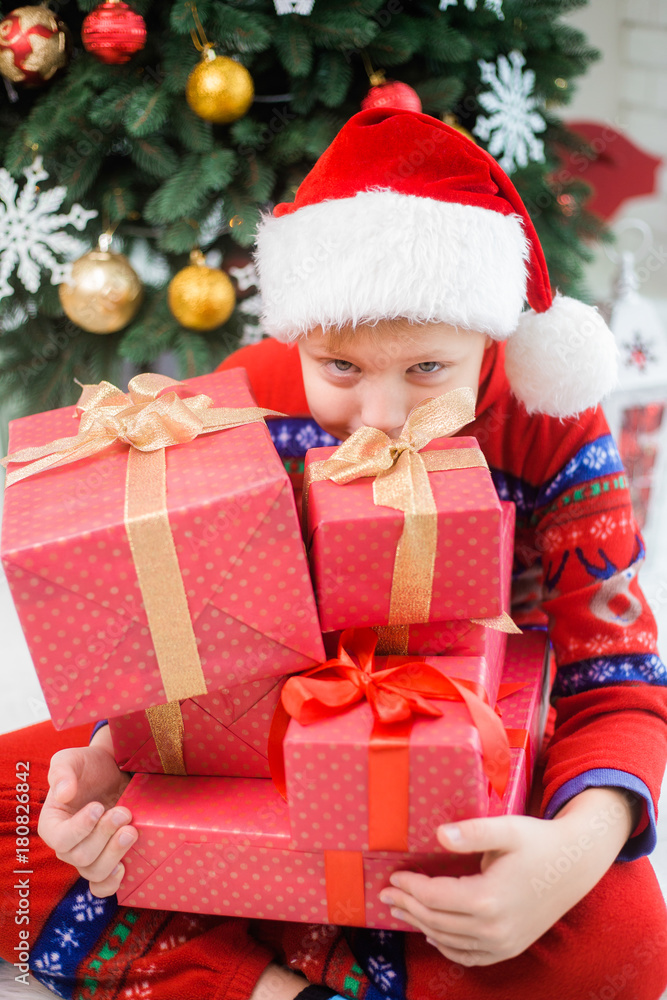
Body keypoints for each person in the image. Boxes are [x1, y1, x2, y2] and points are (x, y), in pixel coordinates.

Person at [2, 108, 666, 1000]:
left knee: (623, 938)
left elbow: (616, 675)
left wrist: (570, 852)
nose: (384, 417)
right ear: (300, 336)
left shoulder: (550, 422)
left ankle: (234, 920)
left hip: (461, 761)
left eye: (428, 369)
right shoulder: (247, 405)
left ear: (491, 338)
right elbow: (162, 637)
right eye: (341, 369)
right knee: (15, 806)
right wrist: (109, 754)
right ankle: (273, 978)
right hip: (251, 744)